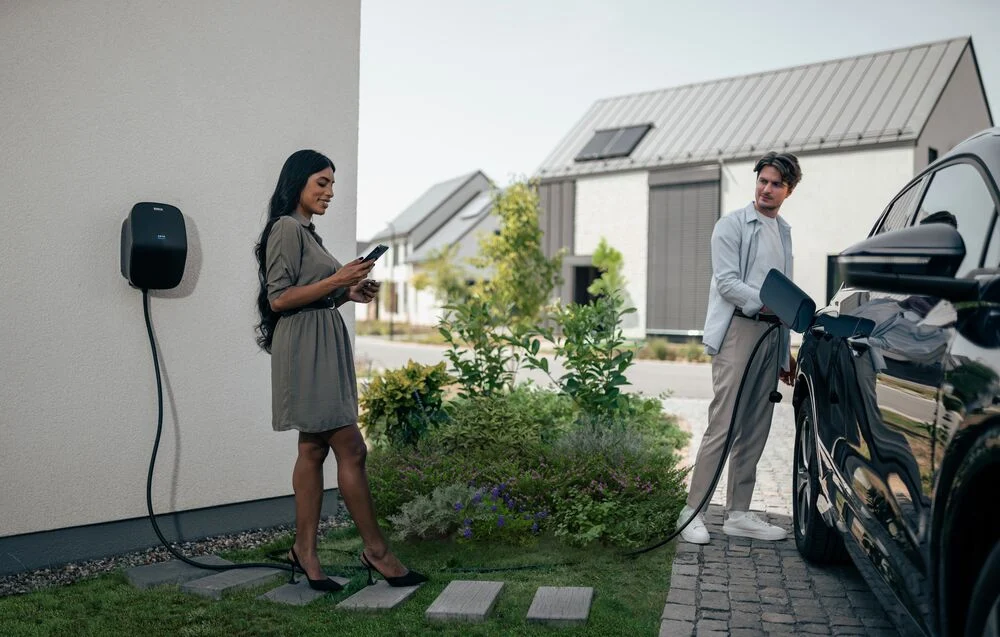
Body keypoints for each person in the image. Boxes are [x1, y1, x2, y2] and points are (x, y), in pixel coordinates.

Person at [253, 149, 427, 588]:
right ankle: (378, 553)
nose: (330, 192)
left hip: (319, 343)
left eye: (332, 184)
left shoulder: (309, 234)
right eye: (322, 183)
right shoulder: (286, 229)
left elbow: (312, 293)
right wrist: (338, 279)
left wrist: (348, 293)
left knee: (313, 449)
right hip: (304, 349)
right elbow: (279, 298)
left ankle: (304, 553)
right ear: (298, 183)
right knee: (351, 448)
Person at [677, 151, 802, 544]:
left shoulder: (783, 231)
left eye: (776, 184)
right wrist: (770, 304)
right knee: (724, 424)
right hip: (739, 331)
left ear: (789, 190)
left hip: (771, 335)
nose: (767, 189)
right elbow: (728, 284)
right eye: (762, 181)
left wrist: (784, 351)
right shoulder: (731, 226)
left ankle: (738, 514)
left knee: (757, 427)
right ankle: (691, 511)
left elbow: (784, 293)